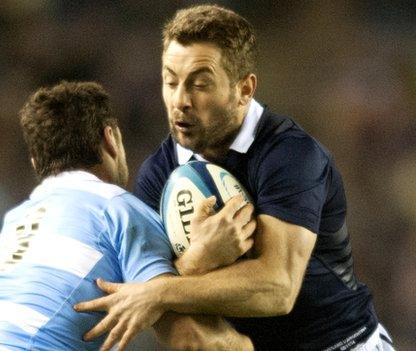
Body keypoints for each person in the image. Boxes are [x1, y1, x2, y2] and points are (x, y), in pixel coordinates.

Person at [74, 5, 394, 351]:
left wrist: (162, 289)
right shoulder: (157, 175)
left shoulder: (291, 155)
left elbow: (278, 288)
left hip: (343, 343)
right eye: (170, 81)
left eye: (199, 84)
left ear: (244, 90)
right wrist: (198, 260)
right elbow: (168, 322)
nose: (180, 100)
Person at [0, 81, 253, 351]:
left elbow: (133, 302)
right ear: (111, 138)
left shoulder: (16, 220)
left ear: (35, 162)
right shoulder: (120, 210)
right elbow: (187, 337)